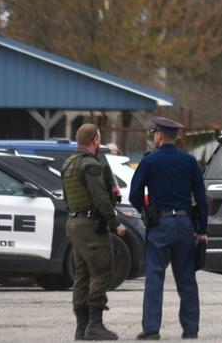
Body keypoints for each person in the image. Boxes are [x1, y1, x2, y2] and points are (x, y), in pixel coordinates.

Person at [129, 117, 208, 341]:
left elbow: (134, 194)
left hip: (160, 225)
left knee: (155, 277)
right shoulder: (189, 161)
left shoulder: (150, 161)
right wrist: (202, 229)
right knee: (186, 278)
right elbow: (201, 198)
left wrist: (147, 213)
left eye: (154, 134)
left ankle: (152, 329)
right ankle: (191, 329)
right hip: (184, 225)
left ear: (160, 136)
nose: (154, 137)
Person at [63, 124, 128, 341]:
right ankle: (94, 324)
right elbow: (100, 198)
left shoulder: (69, 164)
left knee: (82, 274)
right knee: (102, 271)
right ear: (95, 141)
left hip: (74, 223)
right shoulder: (91, 165)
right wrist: (115, 223)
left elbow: (67, 198)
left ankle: (81, 328)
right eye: (99, 138)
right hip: (90, 226)